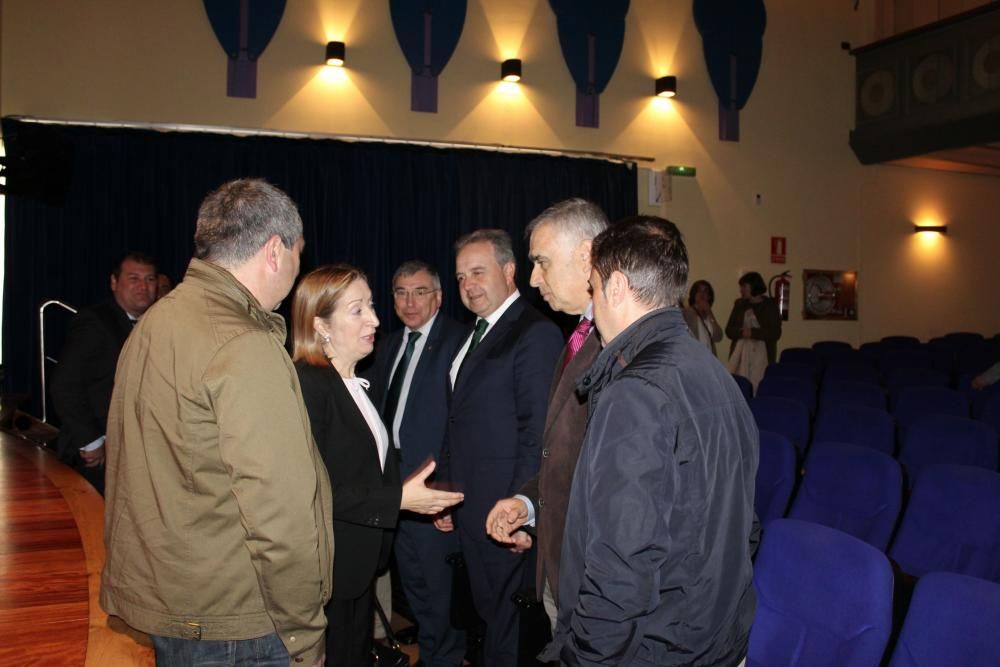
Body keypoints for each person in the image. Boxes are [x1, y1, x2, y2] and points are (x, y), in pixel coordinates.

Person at [101, 179, 333, 666]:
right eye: (298, 254)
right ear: (275, 250)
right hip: (240, 620)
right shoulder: (242, 343)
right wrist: (303, 631)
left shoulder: (157, 321)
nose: (298, 268)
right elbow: (278, 512)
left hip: (178, 600)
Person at [540, 216, 759, 666]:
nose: (593, 301)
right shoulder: (717, 375)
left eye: (595, 288)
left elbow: (621, 568)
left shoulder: (635, 392)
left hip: (657, 649)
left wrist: (583, 659)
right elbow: (745, 527)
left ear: (616, 287)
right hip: (715, 639)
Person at [292, 264, 465, 667]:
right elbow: (314, 492)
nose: (375, 318)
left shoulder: (353, 380)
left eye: (371, 305)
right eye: (358, 310)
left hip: (356, 564)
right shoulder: (308, 385)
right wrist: (399, 500)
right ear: (321, 325)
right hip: (328, 570)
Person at [435, 229, 563, 666]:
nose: (468, 285)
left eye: (478, 272)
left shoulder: (534, 334)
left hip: (505, 515)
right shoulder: (475, 334)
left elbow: (538, 437)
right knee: (488, 625)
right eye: (460, 277)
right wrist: (446, 493)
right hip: (474, 510)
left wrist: (523, 514)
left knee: (509, 636)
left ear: (509, 271)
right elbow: (459, 423)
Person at [484, 199, 608, 630]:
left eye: (541, 262)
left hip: (597, 584)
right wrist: (527, 505)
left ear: (587, 255)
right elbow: (565, 454)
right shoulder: (577, 335)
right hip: (563, 568)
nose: (533, 278)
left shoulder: (620, 349)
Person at [368, 259, 469, 667]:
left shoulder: (458, 342)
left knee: (440, 590)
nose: (410, 302)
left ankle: (445, 658)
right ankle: (431, 654)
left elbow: (462, 426)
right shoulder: (387, 345)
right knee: (414, 586)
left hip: (431, 491)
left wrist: (445, 489)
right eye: (401, 292)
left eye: (420, 291)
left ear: (439, 297)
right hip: (394, 488)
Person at [50, 251, 157, 494]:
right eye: (134, 278)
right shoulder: (95, 321)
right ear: (114, 282)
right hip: (97, 455)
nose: (143, 286)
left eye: (150, 279)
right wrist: (91, 441)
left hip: (135, 452)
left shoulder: (154, 323)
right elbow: (64, 384)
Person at [725, 270, 781, 390]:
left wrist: (753, 333)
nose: (741, 290)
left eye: (744, 286)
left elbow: (775, 333)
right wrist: (741, 332)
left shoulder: (770, 306)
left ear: (754, 286)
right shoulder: (739, 304)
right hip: (739, 357)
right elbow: (729, 330)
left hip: (762, 358)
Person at [683, 279, 724, 356]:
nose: (702, 294)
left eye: (705, 291)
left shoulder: (709, 315)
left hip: (708, 359)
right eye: (699, 291)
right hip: (693, 357)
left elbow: (718, 337)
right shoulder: (686, 312)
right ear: (694, 294)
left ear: (709, 296)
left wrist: (709, 312)